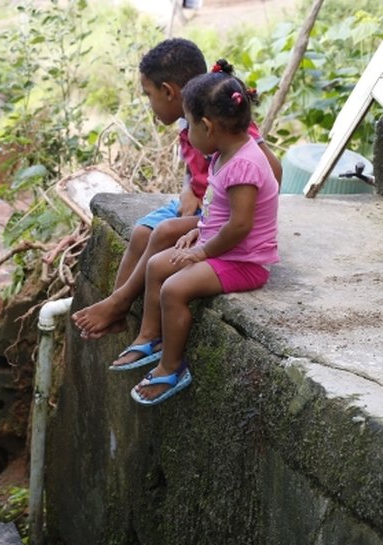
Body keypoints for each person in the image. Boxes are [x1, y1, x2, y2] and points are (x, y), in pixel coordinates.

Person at [71, 41, 282, 341]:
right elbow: (194, 168)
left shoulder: (226, 126)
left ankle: (119, 303)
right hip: (201, 204)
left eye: (149, 95)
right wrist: (188, 190)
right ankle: (117, 310)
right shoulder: (193, 119)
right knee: (141, 233)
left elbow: (271, 172)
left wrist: (246, 209)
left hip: (216, 213)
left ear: (169, 92)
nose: (149, 103)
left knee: (162, 233)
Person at [124, 66, 279, 405]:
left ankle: (171, 368)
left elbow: (240, 226)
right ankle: (152, 338)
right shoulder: (224, 154)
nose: (187, 132)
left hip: (244, 262)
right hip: (224, 249)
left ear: (207, 126)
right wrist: (198, 231)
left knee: (174, 289)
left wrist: (202, 252)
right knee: (157, 265)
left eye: (190, 124)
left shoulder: (244, 166)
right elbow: (217, 212)